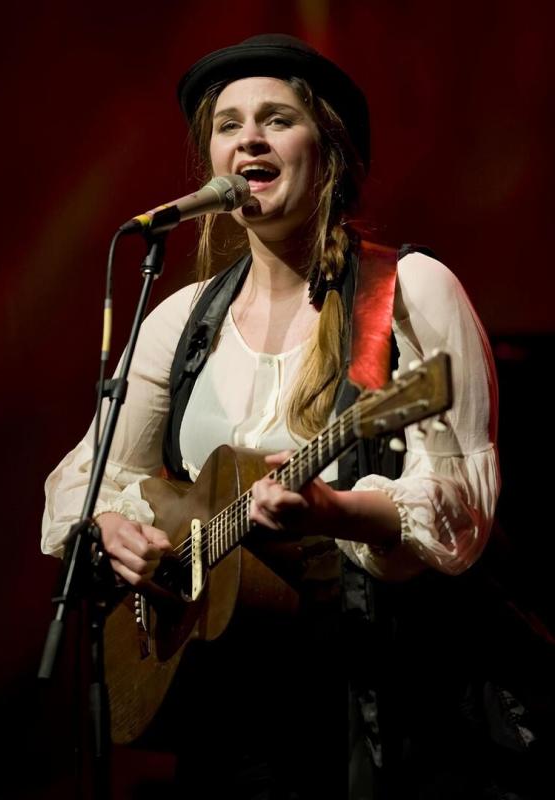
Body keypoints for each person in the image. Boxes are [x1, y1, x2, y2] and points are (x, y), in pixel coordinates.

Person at [41, 34, 532, 800]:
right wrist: (112, 529)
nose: (250, 140)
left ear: (327, 148)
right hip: (227, 706)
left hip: (379, 701)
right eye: (228, 124)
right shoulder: (182, 319)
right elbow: (93, 474)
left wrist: (334, 510)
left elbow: (461, 505)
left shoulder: (408, 290)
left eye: (276, 119)